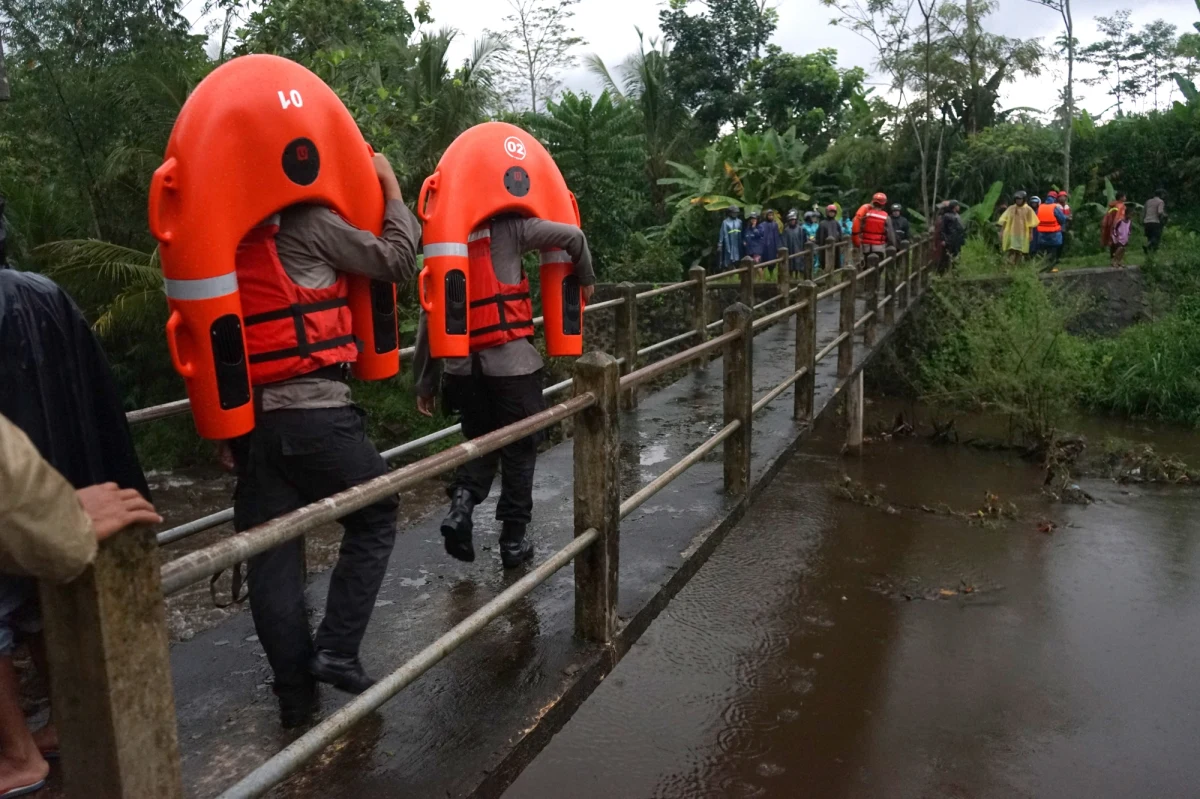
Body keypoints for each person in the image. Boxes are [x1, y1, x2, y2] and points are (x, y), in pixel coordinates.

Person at [226, 153, 421, 728]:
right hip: (314, 411)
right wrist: (391, 190)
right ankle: (335, 649)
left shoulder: (230, 232)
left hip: (254, 420)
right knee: (376, 510)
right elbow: (396, 262)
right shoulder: (309, 221)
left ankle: (295, 698)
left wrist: (225, 427)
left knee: (272, 555)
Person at [0, 269, 156, 795]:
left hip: (22, 495)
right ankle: (67, 722)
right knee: (42, 600)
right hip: (64, 474)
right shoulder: (42, 292)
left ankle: (17, 754)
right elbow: (97, 397)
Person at [414, 215, 595, 571]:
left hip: (462, 372)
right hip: (512, 367)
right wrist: (586, 279)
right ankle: (513, 542)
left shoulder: (446, 236)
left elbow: (429, 313)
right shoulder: (513, 228)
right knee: (520, 451)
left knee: (481, 442)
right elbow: (573, 237)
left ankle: (461, 507)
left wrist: (425, 382)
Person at [996, 190, 1039, 264]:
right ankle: (1008, 263)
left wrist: (1030, 233)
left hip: (1022, 234)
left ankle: (1015, 264)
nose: (1018, 201)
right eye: (1017, 199)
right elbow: (1005, 220)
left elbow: (1031, 223)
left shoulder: (1028, 209)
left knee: (1019, 250)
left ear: (1024, 199)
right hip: (1011, 233)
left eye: (1020, 199)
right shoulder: (1011, 208)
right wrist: (1002, 231)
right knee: (1011, 249)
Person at [852, 192, 896, 258]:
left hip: (865, 247)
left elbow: (856, 225)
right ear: (883, 204)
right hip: (879, 248)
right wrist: (892, 245)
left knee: (866, 264)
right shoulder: (886, 217)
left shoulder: (865, 214)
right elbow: (890, 235)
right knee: (879, 264)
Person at [1036, 193, 1068, 270]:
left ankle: (1043, 267)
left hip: (1042, 233)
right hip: (1054, 233)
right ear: (1055, 199)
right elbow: (1062, 219)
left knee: (1044, 251)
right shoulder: (1055, 207)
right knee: (1053, 251)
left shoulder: (1040, 207)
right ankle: (1051, 267)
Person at [816, 204, 843, 272]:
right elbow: (819, 237)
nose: (832, 213)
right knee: (825, 263)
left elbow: (840, 234)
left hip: (836, 246)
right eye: (830, 212)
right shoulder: (822, 223)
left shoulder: (836, 223)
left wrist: (840, 242)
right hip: (825, 247)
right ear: (827, 212)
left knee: (836, 261)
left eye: (833, 212)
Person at [941, 200, 966, 267]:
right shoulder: (946, 216)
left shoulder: (957, 215)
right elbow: (943, 228)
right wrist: (943, 239)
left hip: (957, 239)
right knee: (950, 255)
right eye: (957, 205)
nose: (959, 207)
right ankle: (950, 269)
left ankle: (956, 269)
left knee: (957, 255)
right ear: (954, 207)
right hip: (950, 239)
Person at [781, 210, 806, 275]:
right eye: (791, 220)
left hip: (799, 249)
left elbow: (804, 239)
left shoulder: (800, 229)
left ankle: (799, 276)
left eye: (794, 220)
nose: (793, 221)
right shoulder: (786, 230)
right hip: (790, 250)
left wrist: (803, 248)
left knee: (799, 264)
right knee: (790, 265)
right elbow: (784, 241)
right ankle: (791, 276)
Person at [758, 208, 782, 274]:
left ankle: (771, 274)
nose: (770, 217)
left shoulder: (775, 225)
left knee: (772, 263)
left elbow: (777, 237)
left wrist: (778, 248)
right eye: (769, 215)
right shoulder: (762, 225)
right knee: (763, 262)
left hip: (772, 247)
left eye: (772, 215)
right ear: (766, 216)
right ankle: (762, 276)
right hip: (764, 247)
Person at [1143, 188, 1167, 253]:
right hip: (1155, 222)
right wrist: (1165, 215)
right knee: (1156, 237)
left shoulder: (1148, 201)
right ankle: (1148, 246)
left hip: (1147, 222)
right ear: (1161, 195)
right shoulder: (1160, 202)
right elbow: (1160, 212)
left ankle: (1149, 252)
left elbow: (1144, 212)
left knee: (1149, 237)